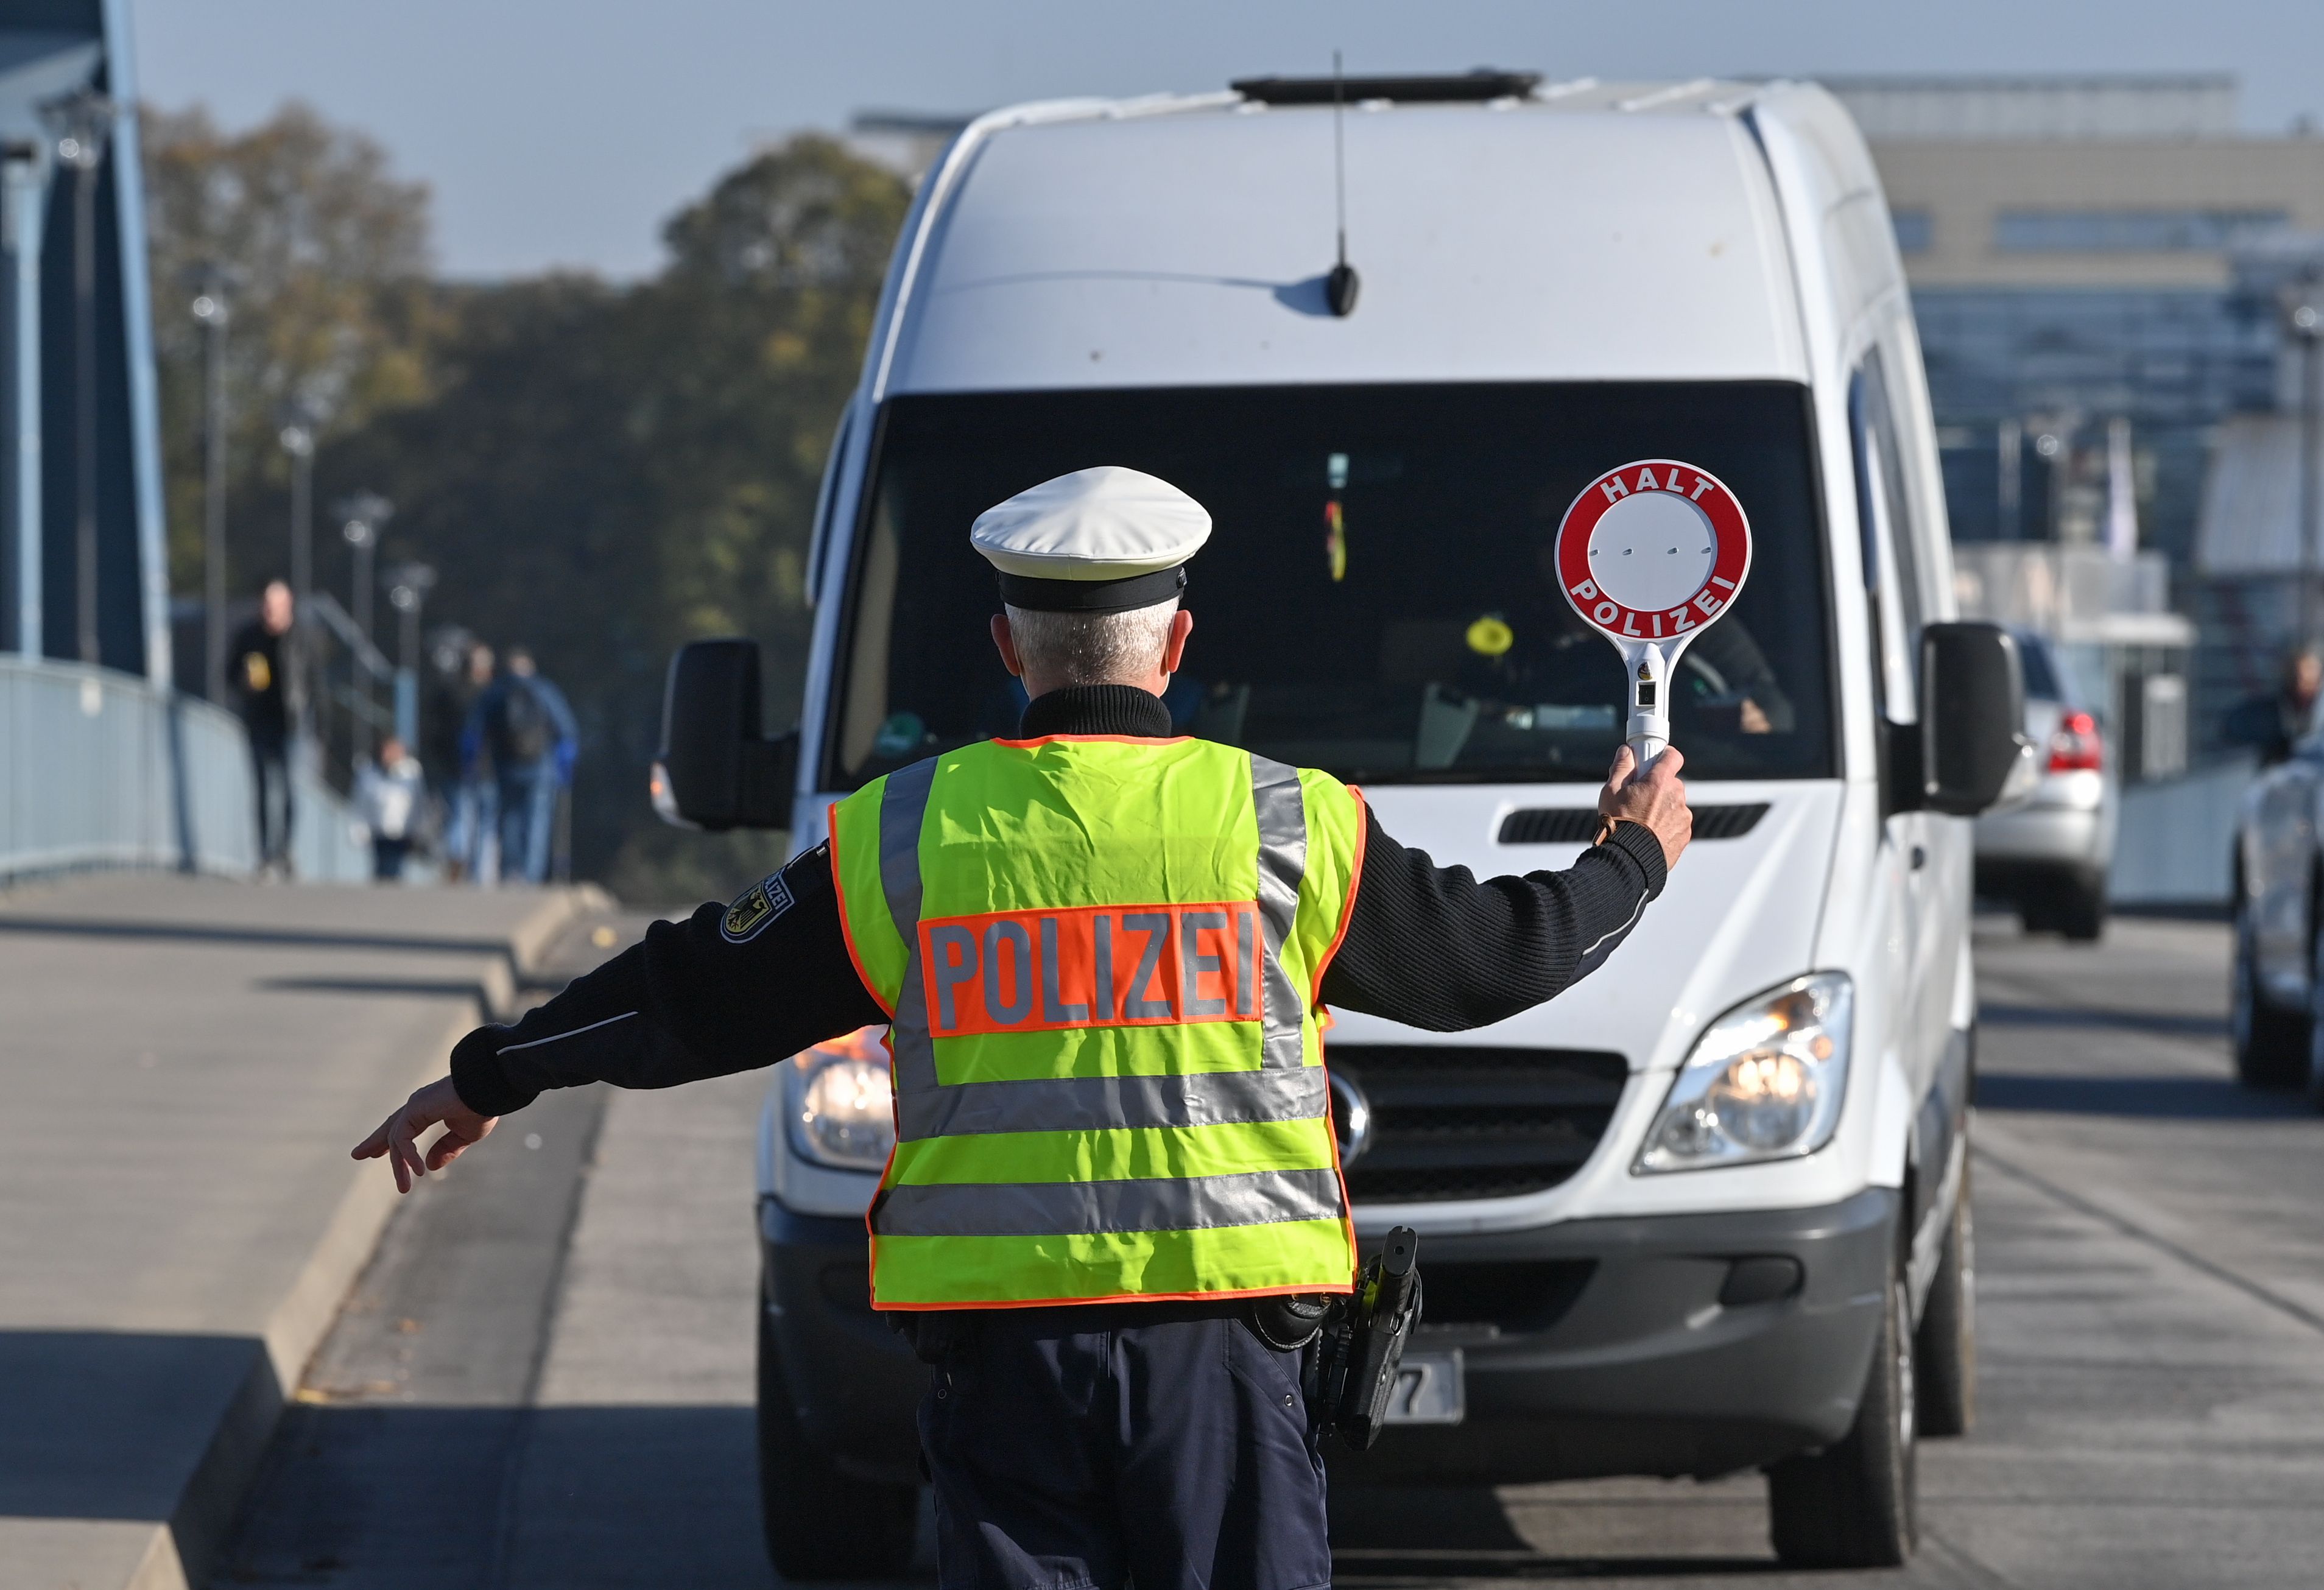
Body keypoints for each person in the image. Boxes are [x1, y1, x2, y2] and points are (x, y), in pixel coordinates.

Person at [354, 466, 1692, 1590]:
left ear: (1010, 652)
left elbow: (691, 990)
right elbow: (1497, 961)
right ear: (1176, 645)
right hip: (1218, 1350)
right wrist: (1631, 859)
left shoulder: (902, 837)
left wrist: (489, 1076)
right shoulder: (1290, 824)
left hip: (1002, 1365)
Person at [460, 645, 576, 885]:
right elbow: (566, 730)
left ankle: (510, 871)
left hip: (505, 765)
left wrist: (470, 763)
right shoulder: (544, 689)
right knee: (537, 820)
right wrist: (565, 766)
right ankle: (532, 874)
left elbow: (474, 732)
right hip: (541, 767)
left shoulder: (496, 692)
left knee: (509, 818)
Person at [227, 579, 300, 876]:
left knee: (287, 791)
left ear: (288, 606)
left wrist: (320, 726)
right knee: (261, 790)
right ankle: (264, 854)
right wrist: (243, 682)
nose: (270, 612)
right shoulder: (248, 637)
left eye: (276, 606)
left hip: (292, 725)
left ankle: (284, 850)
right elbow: (229, 675)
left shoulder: (300, 638)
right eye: (266, 606)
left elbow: (315, 684)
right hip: (259, 721)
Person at [433, 641, 497, 881]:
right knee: (483, 824)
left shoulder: (450, 692)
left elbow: (435, 733)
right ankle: (477, 873)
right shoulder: (493, 695)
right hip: (486, 769)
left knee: (459, 817)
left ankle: (457, 860)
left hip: (457, 768)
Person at [2225, 644, 2321, 767]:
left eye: (2310, 669)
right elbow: (2233, 728)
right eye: (2296, 672)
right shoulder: (2269, 710)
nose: (2302, 677)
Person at [353, 736, 427, 881]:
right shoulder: (369, 774)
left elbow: (418, 804)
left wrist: (418, 829)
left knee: (395, 870)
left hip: (401, 832)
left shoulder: (412, 775)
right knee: (380, 870)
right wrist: (360, 828)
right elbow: (361, 804)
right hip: (379, 831)